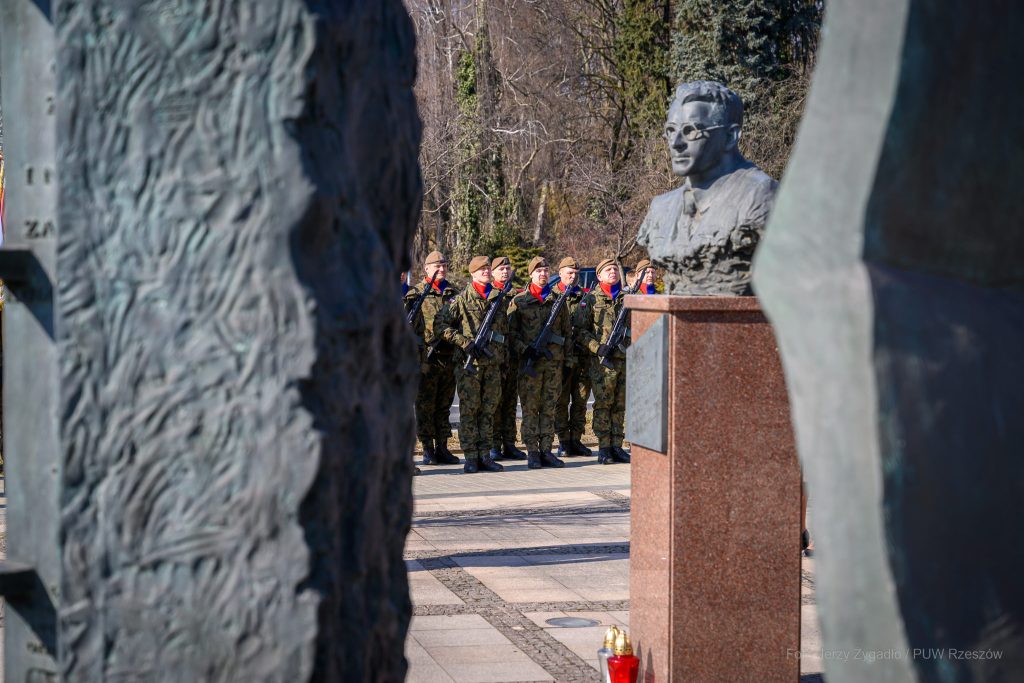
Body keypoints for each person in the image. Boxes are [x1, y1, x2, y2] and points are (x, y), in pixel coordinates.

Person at [637, 81, 776, 295]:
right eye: (671, 130)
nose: (676, 143)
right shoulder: (660, 208)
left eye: (690, 131)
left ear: (730, 136)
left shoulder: (760, 196)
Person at [436, 256, 508, 473]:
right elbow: (440, 324)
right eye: (482, 269)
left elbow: (504, 333)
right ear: (473, 274)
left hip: (492, 363)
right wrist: (464, 343)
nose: (486, 272)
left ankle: (485, 455)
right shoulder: (461, 299)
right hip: (470, 366)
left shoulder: (498, 298)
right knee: (470, 410)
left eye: (488, 269)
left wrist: (502, 360)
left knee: (488, 410)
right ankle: (470, 456)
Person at [508, 257, 572, 469]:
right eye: (538, 271)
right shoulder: (520, 301)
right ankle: (532, 452)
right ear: (531, 275)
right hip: (530, 366)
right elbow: (511, 333)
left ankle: (547, 450)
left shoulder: (558, 301)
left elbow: (566, 333)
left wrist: (568, 362)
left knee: (549, 409)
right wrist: (525, 349)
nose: (543, 274)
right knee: (530, 409)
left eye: (546, 270)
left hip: (554, 365)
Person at [404, 251, 461, 467]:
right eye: (437, 266)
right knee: (425, 405)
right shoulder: (416, 294)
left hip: (448, 356)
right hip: (428, 357)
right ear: (426, 268)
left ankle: (442, 447)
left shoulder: (453, 292)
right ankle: (428, 448)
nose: (441, 269)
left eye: (444, 265)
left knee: (444, 404)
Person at [575, 258, 631, 465]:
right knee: (603, 404)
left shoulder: (628, 297)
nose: (612, 273)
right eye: (607, 270)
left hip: (624, 358)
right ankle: (604, 447)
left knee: (620, 404)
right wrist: (597, 347)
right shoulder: (590, 299)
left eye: (615, 269)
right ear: (598, 275)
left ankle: (617, 445)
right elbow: (580, 331)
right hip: (602, 362)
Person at [489, 256, 527, 462]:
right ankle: (494, 445)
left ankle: (509, 443)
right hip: (494, 357)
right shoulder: (490, 295)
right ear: (492, 272)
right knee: (495, 402)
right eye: (501, 269)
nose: (505, 272)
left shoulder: (518, 296)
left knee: (511, 402)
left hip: (513, 357)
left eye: (507, 268)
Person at [553, 257, 592, 457]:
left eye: (576, 273)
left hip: (583, 358)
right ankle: (563, 441)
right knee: (560, 401)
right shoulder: (552, 296)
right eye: (569, 273)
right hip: (560, 359)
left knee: (580, 401)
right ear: (560, 273)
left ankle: (576, 439)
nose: (573, 276)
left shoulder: (586, 297)